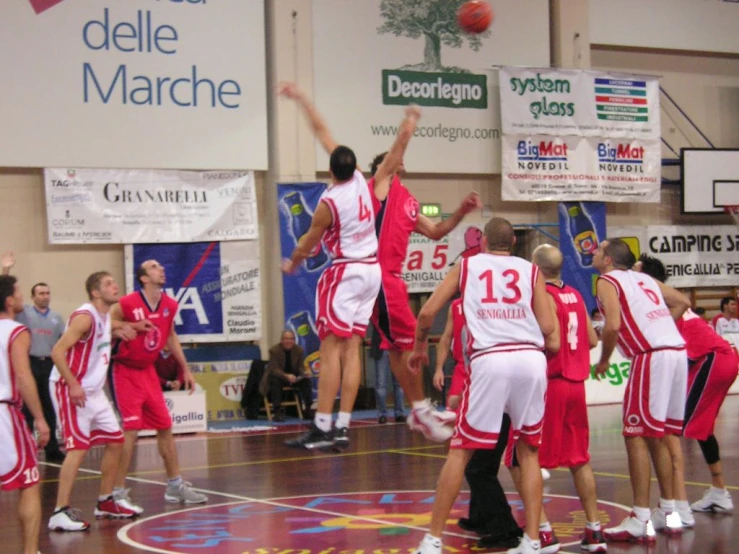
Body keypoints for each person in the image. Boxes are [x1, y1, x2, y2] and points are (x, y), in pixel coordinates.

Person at [279, 81, 482, 443]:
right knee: (395, 347)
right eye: (391, 162)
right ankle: (418, 411)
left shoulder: (405, 199)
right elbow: (392, 147)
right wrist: (410, 122)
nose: (398, 160)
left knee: (387, 349)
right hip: (379, 277)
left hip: (373, 277)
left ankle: (363, 419)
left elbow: (435, 232)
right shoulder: (374, 186)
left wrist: (461, 214)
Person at [409, 218, 557, 554]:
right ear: (514, 245)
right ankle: (534, 541)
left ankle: (432, 541)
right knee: (529, 453)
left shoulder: (467, 265)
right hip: (531, 359)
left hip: (492, 358)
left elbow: (427, 312)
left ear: (484, 242)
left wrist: (419, 349)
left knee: (461, 452)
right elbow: (547, 326)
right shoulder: (531, 270)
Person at [280, 137, 382, 451]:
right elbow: (328, 137)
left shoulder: (330, 202)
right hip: (371, 271)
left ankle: (322, 424)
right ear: (354, 167)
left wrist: (293, 264)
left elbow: (307, 243)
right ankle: (342, 426)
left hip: (346, 271)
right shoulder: (364, 183)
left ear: (330, 170)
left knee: (329, 350)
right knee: (352, 350)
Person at [592, 239, 690, 542]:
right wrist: (660, 330)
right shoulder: (645, 278)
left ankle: (640, 516)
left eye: (597, 250)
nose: (593, 253)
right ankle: (669, 511)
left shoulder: (607, 281)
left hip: (652, 357)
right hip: (676, 352)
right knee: (657, 435)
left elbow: (612, 326)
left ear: (607, 260)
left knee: (634, 435)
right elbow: (683, 301)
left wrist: (605, 359)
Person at [637, 254, 738, 517]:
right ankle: (719, 491)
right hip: (720, 358)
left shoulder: (659, 299)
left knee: (673, 429)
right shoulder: (664, 298)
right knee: (701, 429)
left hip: (711, 358)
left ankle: (677, 507)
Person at [109, 259, 208, 514]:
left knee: (165, 426)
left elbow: (171, 335)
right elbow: (105, 323)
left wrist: (186, 368)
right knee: (131, 430)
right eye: (154, 267)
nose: (161, 269)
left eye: (161, 267)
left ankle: (175, 485)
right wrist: (127, 326)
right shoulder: (127, 303)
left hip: (148, 371)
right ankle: (116, 493)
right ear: (143, 278)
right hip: (125, 370)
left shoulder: (169, 305)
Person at [47, 272, 141, 531]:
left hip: (95, 392)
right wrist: (74, 384)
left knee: (116, 441)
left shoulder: (104, 316)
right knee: (78, 448)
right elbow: (57, 352)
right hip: (71, 388)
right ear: (95, 293)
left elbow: (104, 329)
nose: (116, 286)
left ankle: (105, 501)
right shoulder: (84, 316)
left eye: (115, 282)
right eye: (109, 284)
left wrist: (123, 328)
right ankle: (59, 511)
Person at [531, 245, 606, 553]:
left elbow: (553, 341)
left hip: (554, 383)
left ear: (536, 267)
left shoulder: (543, 296)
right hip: (577, 384)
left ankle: (544, 532)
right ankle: (594, 530)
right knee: (579, 460)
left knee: (526, 458)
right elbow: (590, 340)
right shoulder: (575, 294)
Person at [433, 297, 522, 550]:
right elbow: (446, 339)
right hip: (487, 378)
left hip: (488, 381)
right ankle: (481, 516)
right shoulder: (463, 306)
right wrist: (441, 369)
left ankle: (507, 527)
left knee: (476, 464)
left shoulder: (490, 310)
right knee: (481, 461)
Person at [0, 275, 50, 554]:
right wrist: (40, 418)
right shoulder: (16, 331)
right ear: (9, 301)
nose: (22, 298)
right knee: (29, 482)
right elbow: (23, 375)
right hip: (5, 413)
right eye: (19, 293)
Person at [13, 279, 66, 462]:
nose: (45, 297)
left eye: (47, 293)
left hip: (50, 364)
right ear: (33, 297)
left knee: (49, 408)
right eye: (41, 294)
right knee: (27, 408)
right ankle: (27, 448)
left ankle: (52, 449)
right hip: (30, 362)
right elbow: (6, 296)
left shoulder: (57, 318)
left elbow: (64, 343)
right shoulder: (25, 313)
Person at [258, 330, 313, 421]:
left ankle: (308, 409)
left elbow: (300, 368)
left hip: (294, 378)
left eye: (291, 339)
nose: (289, 341)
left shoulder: (299, 350)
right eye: (286, 339)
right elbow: (273, 369)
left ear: (294, 340)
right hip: (279, 377)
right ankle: (277, 411)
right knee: (275, 380)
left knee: (306, 381)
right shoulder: (274, 350)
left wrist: (304, 373)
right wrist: (286, 375)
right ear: (281, 340)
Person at [370, 325, 405, 424]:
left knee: (399, 384)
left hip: (397, 348)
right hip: (381, 348)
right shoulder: (376, 310)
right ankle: (382, 414)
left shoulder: (398, 311)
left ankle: (400, 414)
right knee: (381, 384)